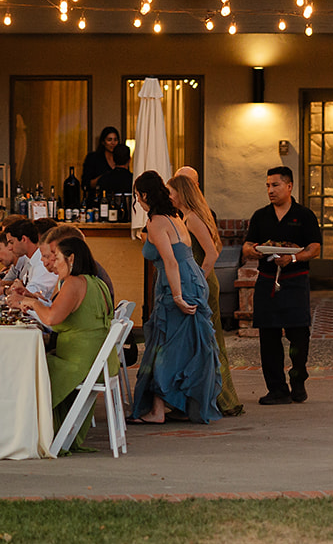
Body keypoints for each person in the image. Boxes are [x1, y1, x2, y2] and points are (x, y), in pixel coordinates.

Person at [128, 170, 221, 424]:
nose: (137, 201)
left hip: (176, 283)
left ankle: (158, 410)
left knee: (164, 345)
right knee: (186, 345)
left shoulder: (156, 222)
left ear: (144, 195)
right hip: (193, 279)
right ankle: (179, 404)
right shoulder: (175, 216)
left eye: (137, 196)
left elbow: (170, 261)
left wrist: (177, 296)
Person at [6, 234, 113, 447]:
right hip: (98, 360)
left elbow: (52, 318)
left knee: (26, 368)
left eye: (56, 258)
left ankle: (20, 430)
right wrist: (32, 299)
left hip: (79, 363)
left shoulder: (73, 283)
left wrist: (31, 303)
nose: (53, 264)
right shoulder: (95, 283)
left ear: (71, 259)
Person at [243, 165, 322, 405]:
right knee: (268, 337)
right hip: (267, 281)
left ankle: (298, 381)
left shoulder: (304, 215)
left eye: (275, 185)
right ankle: (277, 389)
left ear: (289, 186)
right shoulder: (260, 216)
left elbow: (315, 248)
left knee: (299, 335)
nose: (270, 190)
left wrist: (293, 258)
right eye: (268, 186)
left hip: (295, 281)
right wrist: (255, 251)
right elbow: (247, 246)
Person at [168, 172, 245, 417]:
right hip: (199, 283)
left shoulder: (192, 219)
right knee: (201, 342)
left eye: (171, 192)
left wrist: (198, 280)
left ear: (181, 193)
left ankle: (223, 399)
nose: (168, 197)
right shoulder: (185, 217)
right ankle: (208, 398)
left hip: (203, 284)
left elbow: (211, 253)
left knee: (209, 341)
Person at [1, 217, 59, 301]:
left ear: (24, 239)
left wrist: (4, 291)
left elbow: (29, 294)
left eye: (11, 242)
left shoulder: (42, 261)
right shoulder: (31, 260)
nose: (9, 248)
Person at [81, 125, 123, 195]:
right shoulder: (93, 158)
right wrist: (103, 178)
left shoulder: (121, 158)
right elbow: (85, 184)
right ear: (103, 142)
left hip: (116, 198)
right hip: (97, 197)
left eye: (115, 140)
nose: (113, 143)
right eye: (109, 140)